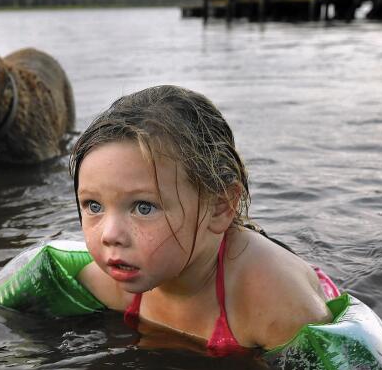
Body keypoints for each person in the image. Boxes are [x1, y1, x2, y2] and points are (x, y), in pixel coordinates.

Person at [69, 85, 338, 356]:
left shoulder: (277, 302)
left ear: (219, 207)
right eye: (94, 205)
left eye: (144, 207)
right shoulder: (106, 280)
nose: (109, 234)